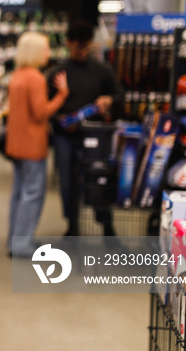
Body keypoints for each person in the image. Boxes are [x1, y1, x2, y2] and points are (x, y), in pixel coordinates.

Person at [48, 20, 123, 236]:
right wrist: (59, 119)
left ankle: (107, 226)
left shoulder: (101, 70)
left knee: (98, 179)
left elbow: (120, 95)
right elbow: (46, 106)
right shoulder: (59, 72)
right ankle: (72, 226)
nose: (84, 51)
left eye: (88, 47)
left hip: (95, 136)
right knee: (68, 182)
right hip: (65, 136)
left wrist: (109, 100)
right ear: (69, 44)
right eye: (80, 47)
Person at [5, 32, 69, 257]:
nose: (49, 54)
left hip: (16, 144)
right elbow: (41, 113)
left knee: (19, 193)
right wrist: (62, 95)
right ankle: (22, 244)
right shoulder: (35, 78)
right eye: (46, 49)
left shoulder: (18, 76)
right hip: (33, 146)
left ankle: (15, 240)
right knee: (33, 194)